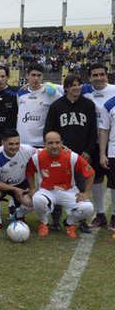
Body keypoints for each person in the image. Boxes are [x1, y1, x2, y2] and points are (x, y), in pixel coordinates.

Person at [27, 132, 94, 238]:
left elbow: (91, 173)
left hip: (69, 191)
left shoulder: (72, 156)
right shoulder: (37, 157)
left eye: (57, 142)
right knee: (37, 199)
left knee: (88, 208)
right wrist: (32, 188)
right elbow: (29, 172)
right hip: (47, 191)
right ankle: (44, 223)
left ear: (62, 143)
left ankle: (69, 223)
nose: (54, 146)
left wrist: (86, 193)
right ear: (44, 144)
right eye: (50, 143)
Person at [82, 63, 115, 228]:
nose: (99, 78)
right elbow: (62, 88)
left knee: (113, 181)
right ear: (89, 78)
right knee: (95, 179)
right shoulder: (85, 91)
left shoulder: (114, 90)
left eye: (102, 74)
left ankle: (114, 216)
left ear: (106, 75)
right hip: (94, 143)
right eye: (95, 75)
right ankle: (100, 214)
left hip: (112, 143)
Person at [0, 130, 36, 233]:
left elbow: (43, 152)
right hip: (2, 186)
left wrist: (63, 149)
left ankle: (19, 215)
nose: (14, 147)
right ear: (3, 143)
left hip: (21, 184)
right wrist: (14, 189)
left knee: (35, 201)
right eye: (11, 144)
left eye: (17, 143)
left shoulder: (27, 150)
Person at [16, 64, 61, 149]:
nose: (36, 78)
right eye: (33, 75)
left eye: (39, 75)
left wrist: (51, 85)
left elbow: (66, 95)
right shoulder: (21, 93)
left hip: (41, 144)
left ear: (42, 77)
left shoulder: (50, 92)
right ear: (27, 76)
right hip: (22, 143)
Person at [97, 93, 115, 232]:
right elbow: (104, 131)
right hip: (114, 152)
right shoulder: (109, 105)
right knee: (114, 186)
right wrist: (103, 154)